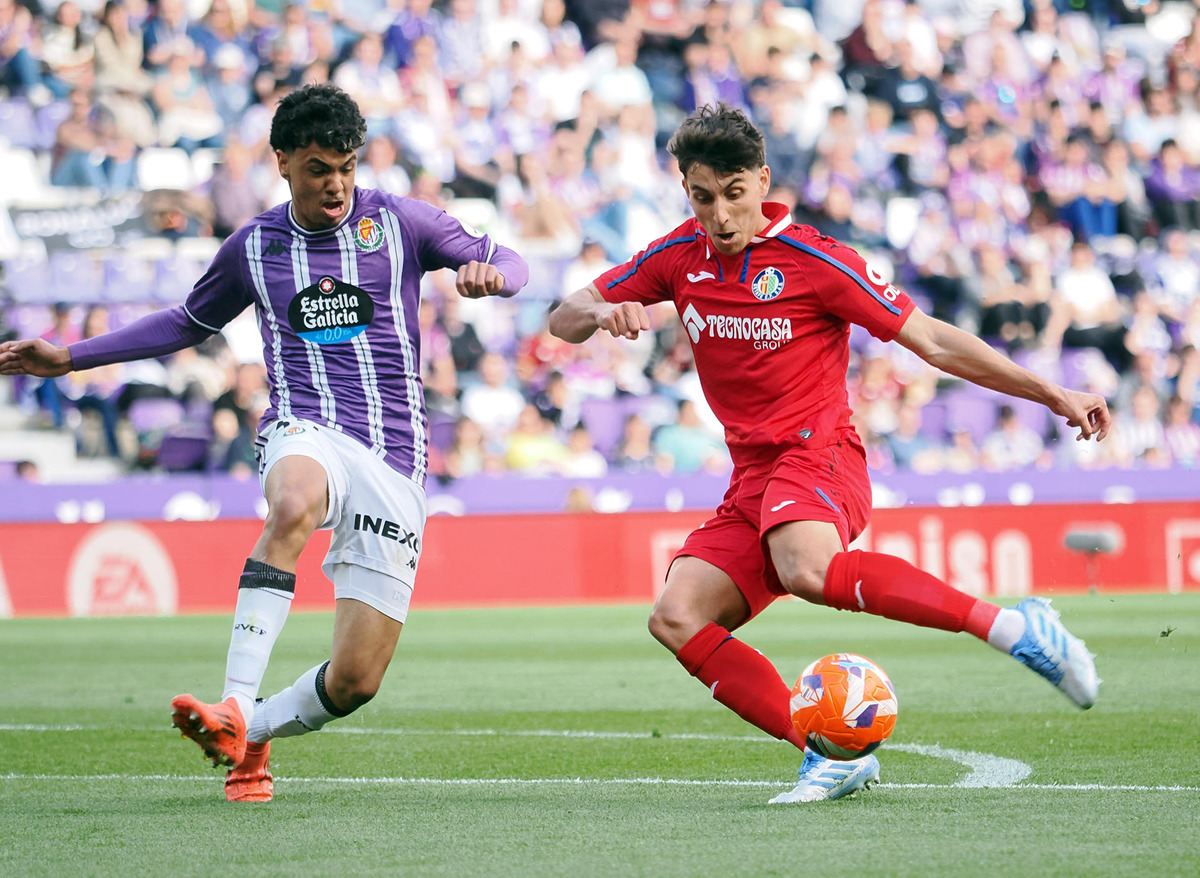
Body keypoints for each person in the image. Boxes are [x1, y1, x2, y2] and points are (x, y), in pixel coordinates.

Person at [548, 103, 1108, 805]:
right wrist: (601, 312)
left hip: (822, 454)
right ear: (685, 191)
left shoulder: (817, 260)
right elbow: (561, 317)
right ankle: (828, 754)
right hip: (752, 476)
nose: (720, 216)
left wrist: (1050, 391)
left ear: (762, 180)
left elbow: (932, 340)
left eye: (734, 194)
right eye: (702, 197)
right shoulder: (675, 256)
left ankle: (1018, 627)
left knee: (805, 565)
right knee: (676, 615)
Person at [0, 84, 528, 803]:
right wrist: (73, 356)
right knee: (294, 502)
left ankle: (249, 731)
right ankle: (233, 700)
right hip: (304, 428)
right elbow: (187, 321)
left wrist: (492, 275)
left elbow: (512, 260)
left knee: (355, 681)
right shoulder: (256, 245)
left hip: (395, 460)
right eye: (318, 168)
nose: (335, 182)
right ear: (282, 163)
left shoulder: (401, 223)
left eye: (345, 165)